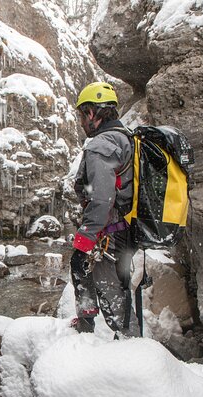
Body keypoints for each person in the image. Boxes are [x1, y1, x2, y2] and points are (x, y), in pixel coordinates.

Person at [71, 81, 139, 338]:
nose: (80, 122)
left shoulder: (102, 144)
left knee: (112, 293)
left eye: (81, 115)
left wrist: (86, 237)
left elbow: (101, 197)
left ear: (92, 113)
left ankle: (130, 346)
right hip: (124, 229)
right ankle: (90, 325)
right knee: (117, 287)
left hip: (110, 232)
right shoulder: (124, 138)